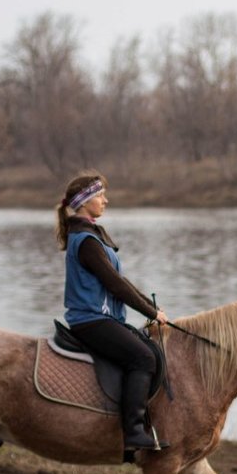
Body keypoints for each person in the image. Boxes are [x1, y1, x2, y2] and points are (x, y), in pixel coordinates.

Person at [55, 170, 168, 450]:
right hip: (91, 320)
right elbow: (115, 285)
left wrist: (151, 308)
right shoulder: (87, 241)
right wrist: (151, 313)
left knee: (145, 350)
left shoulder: (91, 234)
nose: (106, 200)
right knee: (143, 359)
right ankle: (133, 433)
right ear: (85, 201)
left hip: (102, 318)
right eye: (100, 195)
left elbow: (121, 282)